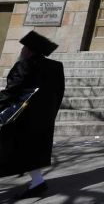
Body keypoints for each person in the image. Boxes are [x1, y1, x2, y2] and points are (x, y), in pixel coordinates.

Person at [0, 31, 65, 199]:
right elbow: (59, 93)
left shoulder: (25, 65)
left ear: (29, 50)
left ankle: (37, 183)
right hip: (42, 119)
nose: (21, 51)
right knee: (29, 152)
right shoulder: (56, 67)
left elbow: (12, 91)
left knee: (8, 148)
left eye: (24, 48)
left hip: (20, 118)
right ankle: (37, 182)